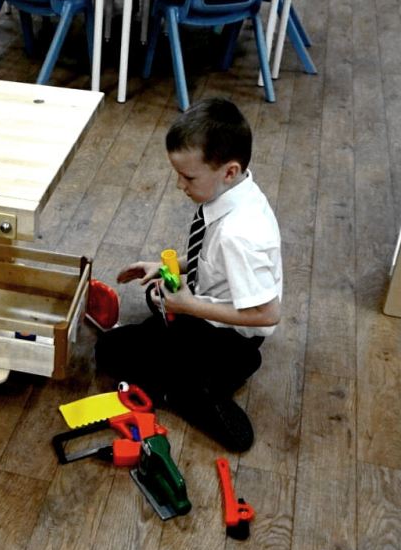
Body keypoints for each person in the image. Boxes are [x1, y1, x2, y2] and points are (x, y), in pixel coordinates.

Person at [95, 98, 282, 453]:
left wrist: (190, 306)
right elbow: (211, 258)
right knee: (151, 311)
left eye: (188, 177)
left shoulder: (240, 235)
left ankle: (193, 391)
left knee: (110, 352)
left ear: (228, 170)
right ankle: (194, 371)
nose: (180, 185)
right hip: (210, 311)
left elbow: (268, 314)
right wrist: (169, 266)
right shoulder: (236, 195)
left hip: (229, 336)